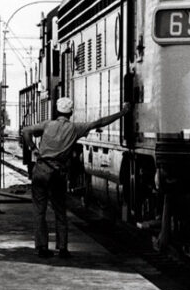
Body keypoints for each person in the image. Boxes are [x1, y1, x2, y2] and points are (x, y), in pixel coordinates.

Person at [21, 98, 129, 258]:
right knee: (60, 210)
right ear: (71, 113)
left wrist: (33, 148)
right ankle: (63, 248)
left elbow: (25, 131)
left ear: (56, 111)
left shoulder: (47, 125)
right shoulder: (75, 128)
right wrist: (123, 112)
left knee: (39, 211)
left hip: (41, 169)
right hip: (57, 172)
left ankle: (42, 247)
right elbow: (99, 122)